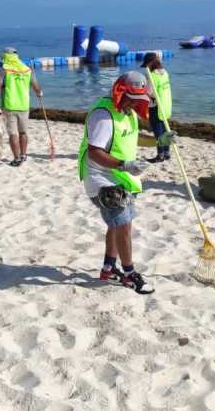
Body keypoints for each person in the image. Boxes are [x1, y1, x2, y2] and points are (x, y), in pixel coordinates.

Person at [77, 71, 176, 294]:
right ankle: (129, 274)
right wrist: (124, 165)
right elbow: (94, 152)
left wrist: (159, 141)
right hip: (100, 177)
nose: (136, 102)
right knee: (123, 225)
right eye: (132, 97)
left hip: (121, 176)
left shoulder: (127, 112)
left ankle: (108, 269)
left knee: (119, 224)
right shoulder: (103, 115)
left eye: (140, 99)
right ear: (121, 92)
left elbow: (134, 136)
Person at [0, 47, 42, 166]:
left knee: (13, 133)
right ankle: (23, 155)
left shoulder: (4, 69)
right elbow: (36, 87)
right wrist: (39, 92)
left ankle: (17, 158)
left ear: (6, 57)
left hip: (9, 105)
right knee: (23, 132)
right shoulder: (27, 69)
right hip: (24, 105)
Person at [142, 52, 173, 163]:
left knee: (158, 132)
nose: (146, 66)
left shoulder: (151, 75)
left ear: (151, 63)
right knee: (165, 129)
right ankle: (167, 152)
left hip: (156, 106)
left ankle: (160, 155)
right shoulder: (165, 73)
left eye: (147, 64)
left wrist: (142, 90)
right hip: (166, 104)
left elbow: (150, 93)